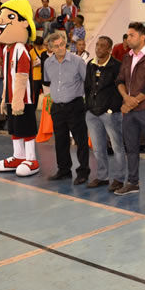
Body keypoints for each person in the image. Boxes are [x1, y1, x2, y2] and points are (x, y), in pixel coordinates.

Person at [115, 22, 145, 201]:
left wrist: (132, 102)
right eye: (127, 35)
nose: (128, 38)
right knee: (131, 147)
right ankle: (133, 182)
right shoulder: (127, 57)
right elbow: (119, 80)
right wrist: (126, 99)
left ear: (143, 37)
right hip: (130, 110)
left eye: (132, 35)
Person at [0, 0, 40, 176]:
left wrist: (19, 100)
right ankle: (18, 156)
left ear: (23, 23)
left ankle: (31, 159)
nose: (1, 20)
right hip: (12, 98)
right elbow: (7, 77)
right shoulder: (6, 50)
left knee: (26, 128)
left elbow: (21, 76)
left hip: (23, 98)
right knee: (14, 128)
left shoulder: (20, 48)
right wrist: (5, 98)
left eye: (9, 16)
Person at [43, 32, 90, 184]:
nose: (60, 48)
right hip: (57, 107)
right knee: (60, 140)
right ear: (51, 49)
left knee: (80, 140)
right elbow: (50, 82)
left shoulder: (78, 62)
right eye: (56, 46)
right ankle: (64, 170)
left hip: (75, 105)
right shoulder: (48, 63)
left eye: (62, 45)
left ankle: (83, 172)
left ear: (66, 44)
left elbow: (87, 83)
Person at [84, 36, 126, 192]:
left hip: (110, 114)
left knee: (117, 147)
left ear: (109, 49)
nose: (98, 48)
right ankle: (102, 177)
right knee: (98, 147)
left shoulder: (116, 66)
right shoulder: (91, 65)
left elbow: (119, 90)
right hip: (92, 113)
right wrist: (88, 107)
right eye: (97, 45)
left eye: (102, 46)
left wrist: (110, 109)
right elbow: (87, 87)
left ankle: (119, 179)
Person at [28, 36, 47, 107]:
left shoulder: (45, 51)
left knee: (47, 95)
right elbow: (29, 64)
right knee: (35, 96)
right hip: (35, 77)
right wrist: (34, 64)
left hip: (44, 77)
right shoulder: (32, 52)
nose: (38, 47)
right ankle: (33, 110)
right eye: (37, 45)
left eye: (40, 45)